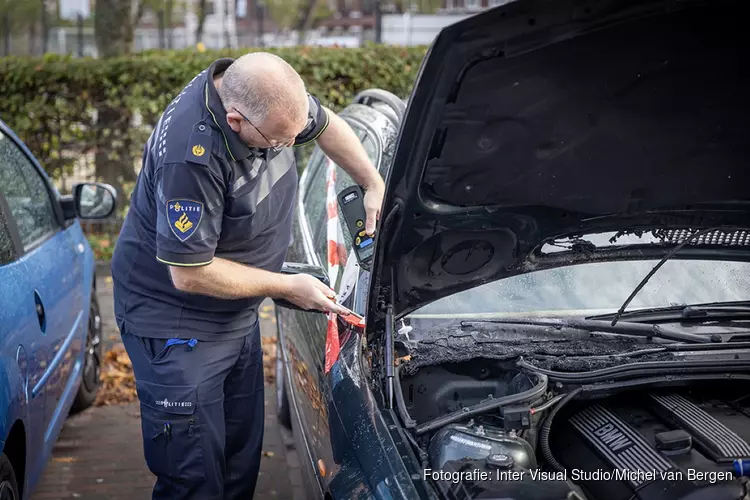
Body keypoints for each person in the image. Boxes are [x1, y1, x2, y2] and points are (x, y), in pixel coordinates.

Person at [110, 52, 385, 500]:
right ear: (235, 120)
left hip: (234, 315)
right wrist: (284, 286)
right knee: (195, 477)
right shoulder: (192, 156)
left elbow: (326, 125)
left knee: (239, 461)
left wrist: (372, 181)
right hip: (177, 324)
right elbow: (189, 273)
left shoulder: (268, 97)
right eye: (277, 142)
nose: (286, 146)